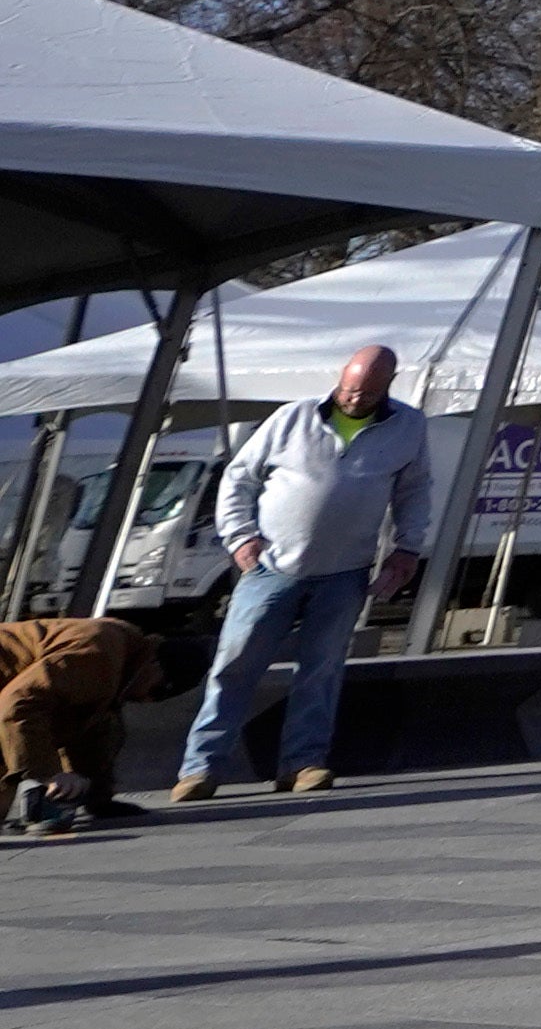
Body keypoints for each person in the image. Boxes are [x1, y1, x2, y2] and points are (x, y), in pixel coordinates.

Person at [173, 342, 430, 801]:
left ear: (386, 388)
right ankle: (200, 768)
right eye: (350, 389)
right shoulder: (293, 418)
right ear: (340, 378)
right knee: (234, 666)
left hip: (345, 570)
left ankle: (303, 762)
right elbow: (239, 477)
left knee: (322, 669)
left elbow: (413, 491)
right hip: (271, 566)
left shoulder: (407, 426)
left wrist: (406, 548)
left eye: (367, 394)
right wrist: (239, 536)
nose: (354, 399)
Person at [2, 609, 183, 835]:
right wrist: (49, 774)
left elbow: (86, 728)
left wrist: (97, 796)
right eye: (157, 691)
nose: (146, 700)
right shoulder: (98, 653)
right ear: (153, 664)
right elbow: (17, 705)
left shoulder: (119, 662)